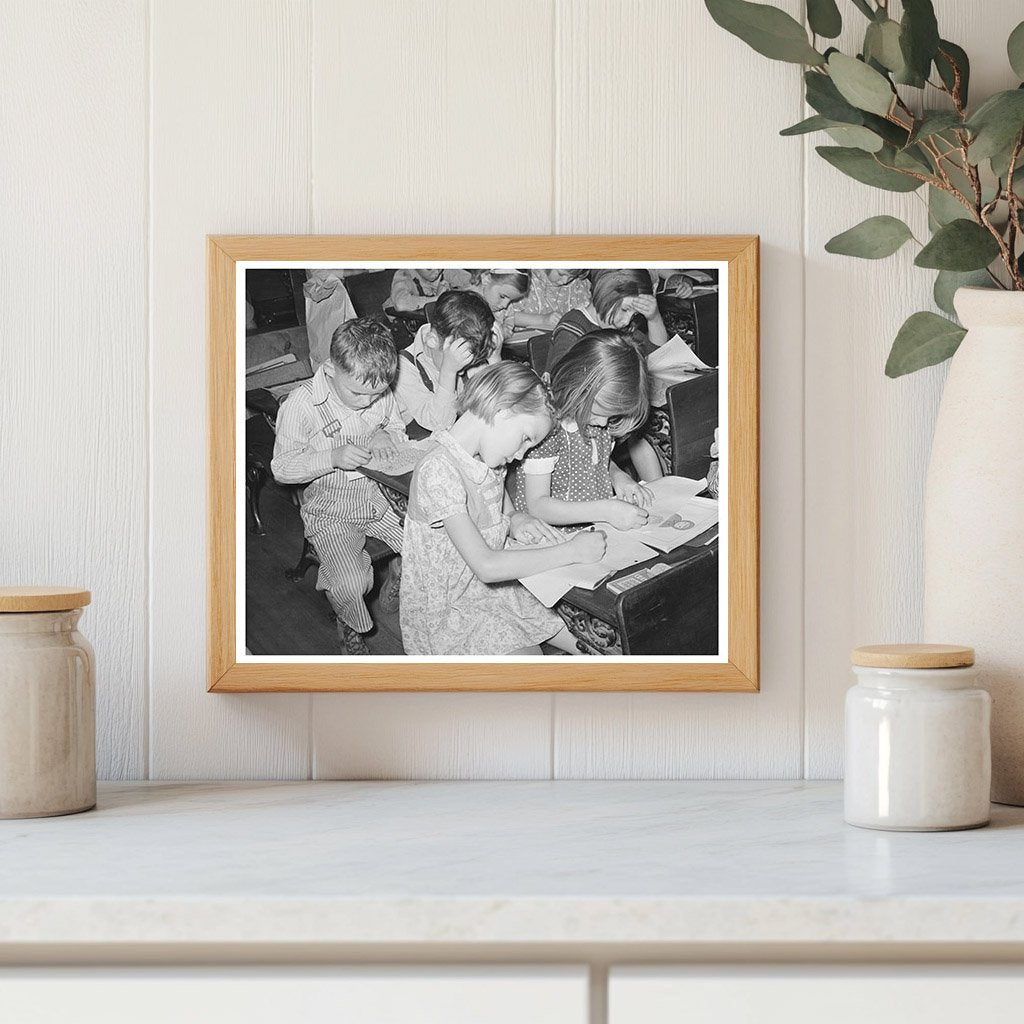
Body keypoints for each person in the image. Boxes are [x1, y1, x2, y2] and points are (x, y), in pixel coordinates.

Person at [400, 361, 607, 656]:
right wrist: (571, 551)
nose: (522, 454)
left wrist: (515, 517)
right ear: (502, 410)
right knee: (532, 663)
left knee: (593, 644)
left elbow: (497, 503)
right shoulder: (438, 470)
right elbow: (486, 566)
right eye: (525, 438)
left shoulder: (486, 456)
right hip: (452, 610)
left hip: (495, 593)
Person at [271, 317, 407, 656]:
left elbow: (398, 431)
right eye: (358, 393)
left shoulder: (378, 391)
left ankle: (398, 580)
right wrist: (330, 456)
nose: (367, 402)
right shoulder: (301, 405)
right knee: (351, 582)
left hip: (379, 501)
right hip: (332, 510)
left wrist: (386, 433)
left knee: (434, 547)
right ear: (330, 369)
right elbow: (281, 468)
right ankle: (349, 625)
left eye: (377, 394)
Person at [513, 331, 661, 531]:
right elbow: (537, 505)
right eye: (599, 413)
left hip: (595, 528)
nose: (602, 423)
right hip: (555, 537)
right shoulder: (548, 429)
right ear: (578, 386)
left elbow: (597, 461)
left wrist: (618, 476)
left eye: (612, 417)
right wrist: (605, 511)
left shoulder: (598, 419)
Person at [393, 290, 496, 435]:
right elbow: (440, 424)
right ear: (432, 341)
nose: (462, 371)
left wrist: (495, 359)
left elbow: (495, 402)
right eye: (458, 363)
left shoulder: (466, 346)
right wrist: (448, 372)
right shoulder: (402, 369)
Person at [547, 268, 668, 373]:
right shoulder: (572, 328)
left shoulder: (621, 327)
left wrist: (654, 318)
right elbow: (561, 381)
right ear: (605, 296)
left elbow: (658, 355)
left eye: (635, 314)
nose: (626, 321)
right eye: (625, 309)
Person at [453, 268, 531, 343]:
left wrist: (505, 330)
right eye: (502, 296)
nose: (505, 305)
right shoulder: (465, 304)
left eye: (511, 300)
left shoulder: (503, 306)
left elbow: (509, 319)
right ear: (486, 279)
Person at [509, 268, 592, 334]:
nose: (565, 281)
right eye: (561, 274)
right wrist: (543, 320)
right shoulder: (526, 279)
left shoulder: (579, 286)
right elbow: (505, 316)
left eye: (572, 277)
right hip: (522, 345)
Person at [388, 268, 452, 312]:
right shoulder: (404, 274)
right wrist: (439, 298)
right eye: (429, 269)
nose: (436, 272)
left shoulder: (446, 270)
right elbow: (400, 304)